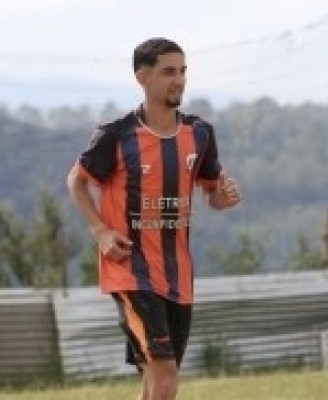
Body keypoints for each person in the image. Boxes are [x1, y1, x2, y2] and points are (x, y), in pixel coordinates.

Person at [67, 37, 241, 400]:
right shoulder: (116, 135)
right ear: (142, 77)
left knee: (154, 383)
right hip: (132, 271)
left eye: (182, 71)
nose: (179, 80)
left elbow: (212, 191)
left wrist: (222, 198)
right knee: (165, 377)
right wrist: (100, 231)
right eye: (168, 72)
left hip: (178, 274)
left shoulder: (200, 133)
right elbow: (77, 181)